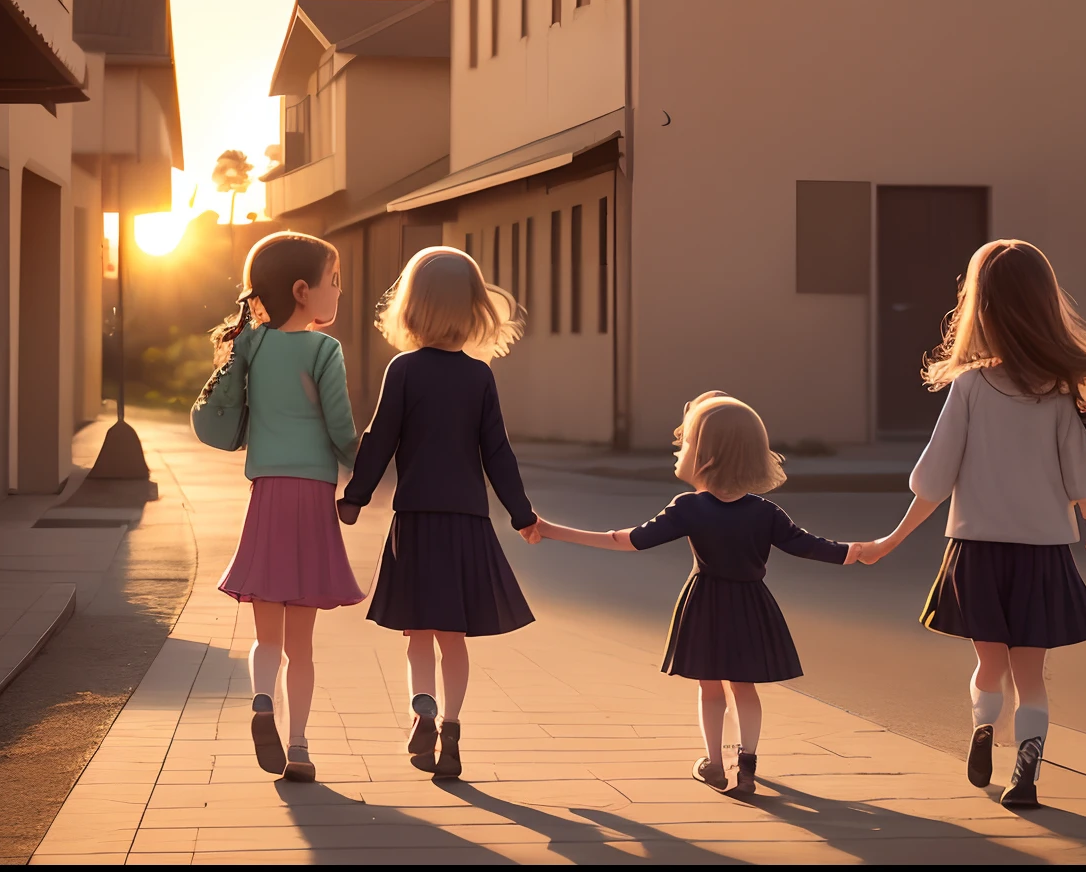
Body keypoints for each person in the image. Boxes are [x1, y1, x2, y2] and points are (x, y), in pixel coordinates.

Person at [864, 239, 1086, 809]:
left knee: (988, 664)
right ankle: (1027, 773)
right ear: (1045, 305)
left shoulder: (969, 387)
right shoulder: (1064, 394)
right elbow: (1078, 480)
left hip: (976, 550)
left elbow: (933, 478)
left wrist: (891, 539)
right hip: (1042, 553)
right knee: (1031, 674)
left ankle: (983, 730)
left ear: (980, 306)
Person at [533, 392, 883, 796]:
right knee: (745, 687)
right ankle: (747, 765)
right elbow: (809, 545)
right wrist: (856, 552)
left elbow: (628, 540)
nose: (679, 449)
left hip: (705, 606)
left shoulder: (689, 508)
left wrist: (552, 529)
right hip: (753, 606)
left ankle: (714, 763)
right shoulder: (765, 511)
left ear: (706, 456)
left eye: (687, 443)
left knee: (710, 686)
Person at [338, 247, 539, 781]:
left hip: (417, 521)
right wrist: (522, 514)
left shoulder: (403, 370)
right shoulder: (479, 378)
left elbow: (381, 439)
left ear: (412, 307)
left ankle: (421, 708)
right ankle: (451, 727)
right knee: (454, 635)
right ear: (474, 309)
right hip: (468, 522)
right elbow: (498, 452)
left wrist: (355, 497)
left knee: (418, 632)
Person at [205, 231, 364, 783]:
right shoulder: (325, 351)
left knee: (266, 636)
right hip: (313, 499)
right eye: (334, 281)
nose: (340, 292)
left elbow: (228, 402)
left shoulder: (252, 346)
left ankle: (260, 704)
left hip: (267, 496)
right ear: (303, 291)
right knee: (303, 645)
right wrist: (365, 468)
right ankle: (298, 748)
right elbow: (341, 427)